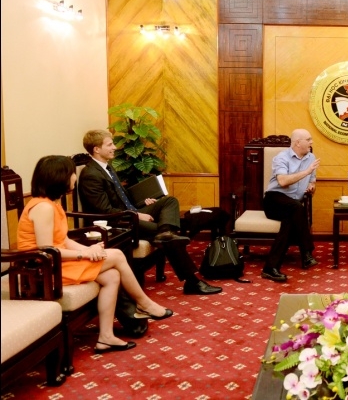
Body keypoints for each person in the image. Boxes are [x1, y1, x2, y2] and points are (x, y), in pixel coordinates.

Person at [17, 155, 173, 354]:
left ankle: (105, 337)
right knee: (117, 255)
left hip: (56, 263)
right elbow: (47, 250)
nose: (75, 177)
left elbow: (63, 240)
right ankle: (144, 303)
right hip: (42, 270)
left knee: (112, 276)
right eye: (72, 174)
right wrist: (84, 254)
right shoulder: (43, 208)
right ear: (59, 177)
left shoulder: (53, 204)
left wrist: (88, 250)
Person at [78, 129, 221, 295]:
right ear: (96, 149)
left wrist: (141, 203)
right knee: (168, 238)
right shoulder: (91, 175)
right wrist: (137, 214)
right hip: (118, 222)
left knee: (169, 201)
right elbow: (104, 211)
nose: (114, 147)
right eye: (110, 144)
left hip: (129, 212)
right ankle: (192, 281)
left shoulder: (106, 167)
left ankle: (166, 232)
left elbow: (120, 196)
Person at [261, 129, 320, 283]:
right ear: (298, 143)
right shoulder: (281, 158)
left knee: (289, 222)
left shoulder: (311, 157)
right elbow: (282, 182)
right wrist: (306, 171)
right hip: (274, 200)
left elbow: (312, 181)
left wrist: (312, 187)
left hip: (293, 206)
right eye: (309, 139)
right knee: (297, 208)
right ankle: (306, 252)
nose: (312, 142)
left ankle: (270, 268)